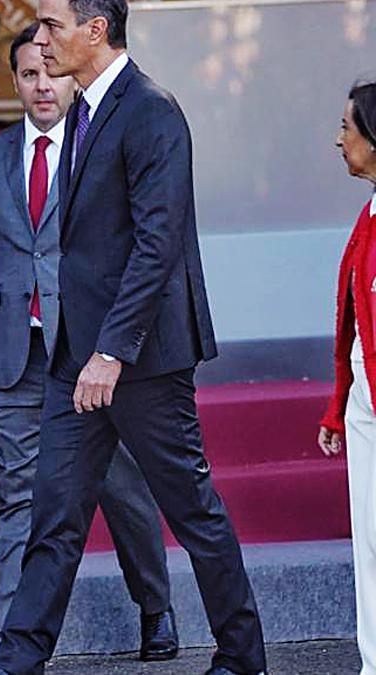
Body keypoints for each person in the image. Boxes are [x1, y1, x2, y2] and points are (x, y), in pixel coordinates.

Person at [0, 0, 268, 673]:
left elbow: (157, 244)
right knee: (54, 516)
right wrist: (84, 350)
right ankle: (16, 659)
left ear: (95, 30)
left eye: (52, 25)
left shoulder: (151, 110)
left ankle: (243, 653)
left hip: (140, 357)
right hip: (73, 355)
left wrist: (111, 350)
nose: (41, 39)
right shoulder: (82, 111)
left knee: (191, 509)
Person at [0, 23, 176, 660]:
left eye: (51, 71)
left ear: (73, 74)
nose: (42, 84)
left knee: (118, 485)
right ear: (15, 82)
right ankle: (13, 632)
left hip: (88, 347)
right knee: (16, 490)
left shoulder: (99, 145)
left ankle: (156, 608)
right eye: (28, 74)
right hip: (11, 352)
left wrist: (123, 341)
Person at [319, 79, 376, 675]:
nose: (339, 141)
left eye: (347, 128)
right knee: (370, 545)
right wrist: (339, 405)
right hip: (366, 402)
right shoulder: (369, 213)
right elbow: (353, 324)